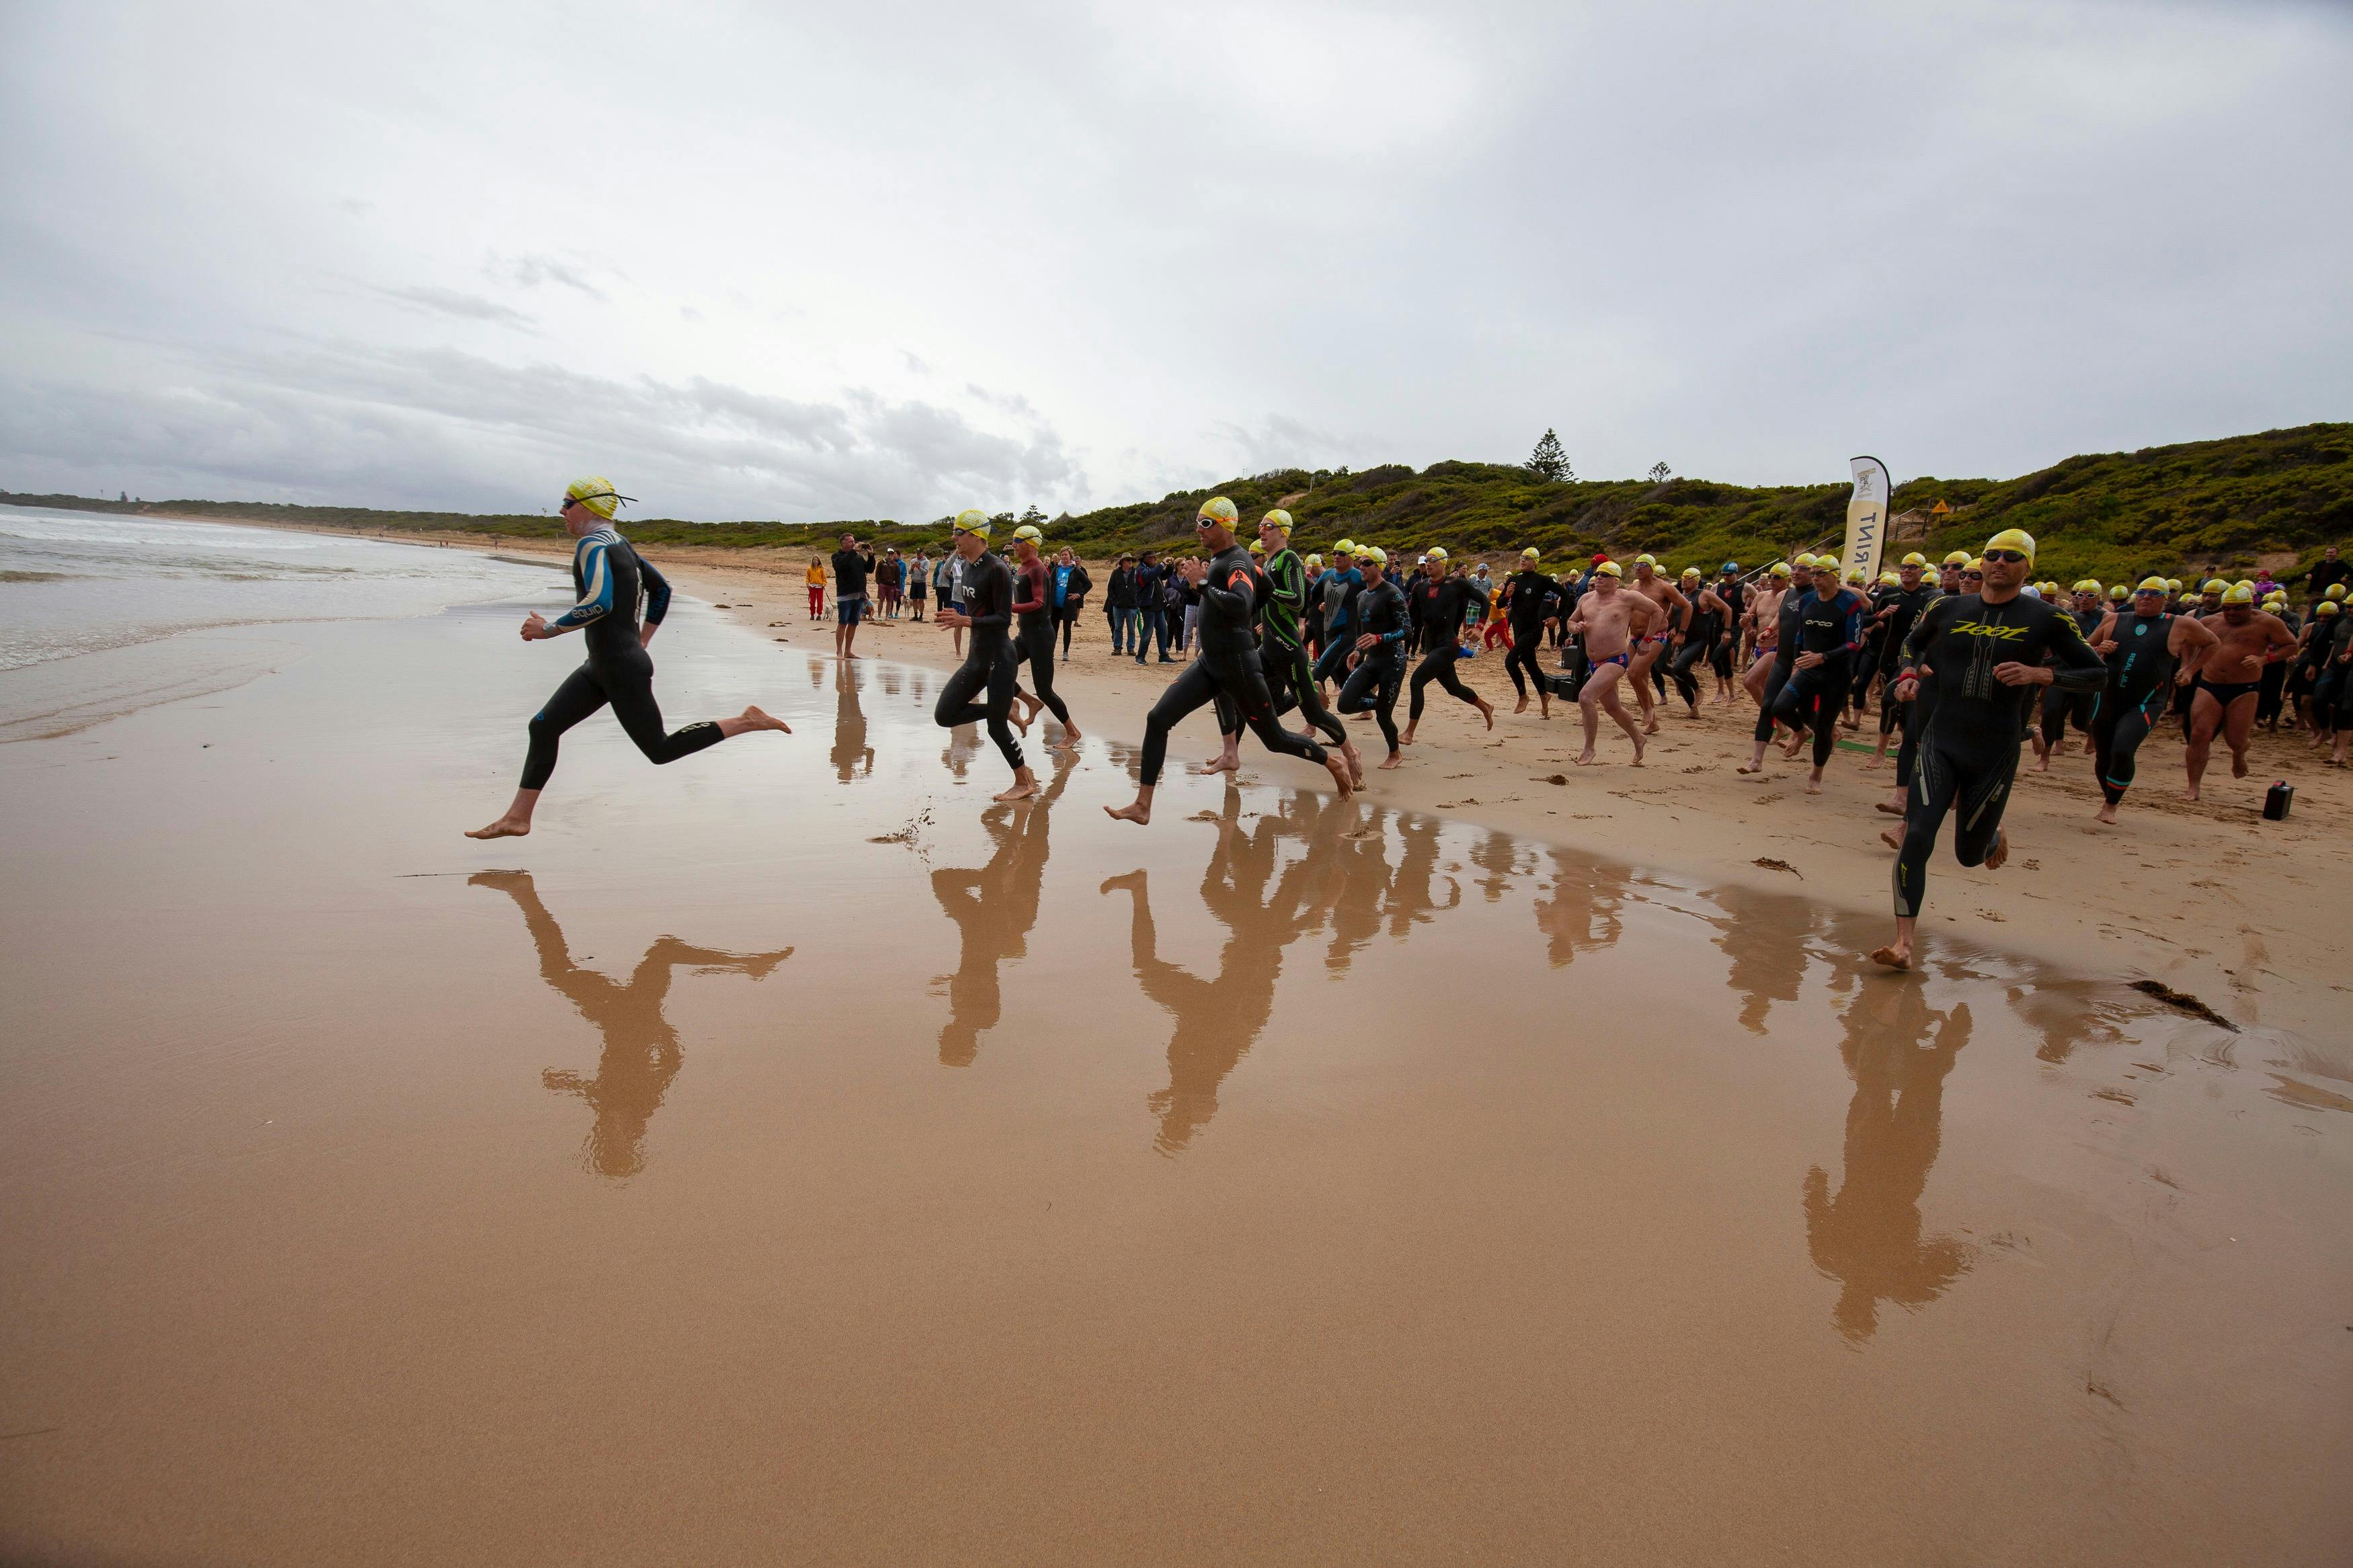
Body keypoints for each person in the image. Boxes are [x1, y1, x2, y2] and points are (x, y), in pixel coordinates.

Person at [468, 477, 789, 839]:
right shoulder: (620, 543)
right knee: (543, 727)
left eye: (567, 502)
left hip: (619, 667)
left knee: (660, 750)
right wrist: (641, 642)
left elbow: (599, 602)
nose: (562, 510)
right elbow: (662, 590)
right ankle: (517, 817)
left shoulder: (592, 543)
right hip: (604, 666)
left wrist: (548, 629)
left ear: (589, 507)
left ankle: (747, 721)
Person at [1872, 529, 2104, 970]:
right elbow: (1912, 643)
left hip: (1994, 749)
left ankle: (1991, 837)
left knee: (1969, 854)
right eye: (1992, 555)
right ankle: (1904, 943)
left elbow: (2096, 672)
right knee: (1917, 837)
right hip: (1942, 739)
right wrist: (1906, 673)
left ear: (2027, 566)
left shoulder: (2046, 618)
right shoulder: (1948, 607)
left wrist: (2042, 676)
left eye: (2011, 557)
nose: (1999, 562)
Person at [1105, 498, 1353, 824]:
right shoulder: (1231, 561)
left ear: (1226, 526)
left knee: (1275, 740)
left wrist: (1202, 584)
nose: (1198, 529)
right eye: (1198, 522)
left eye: (1206, 523)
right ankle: (1143, 804)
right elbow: (1263, 586)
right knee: (1158, 719)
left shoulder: (1235, 562)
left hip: (1238, 665)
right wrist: (1238, 587)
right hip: (1211, 663)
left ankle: (1332, 762)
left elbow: (1241, 603)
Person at [2086, 578, 2217, 823]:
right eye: (2142, 592)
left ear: (2166, 599)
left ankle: (2110, 805)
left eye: (2154, 594)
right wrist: (2099, 650)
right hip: (2107, 697)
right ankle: (2112, 794)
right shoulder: (2114, 620)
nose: (2146, 597)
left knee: (2123, 749)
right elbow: (2082, 649)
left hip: (2145, 702)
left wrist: (2190, 669)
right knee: (2103, 756)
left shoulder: (2181, 624)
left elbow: (2212, 643)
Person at [932, 509, 1039, 802]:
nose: (954, 537)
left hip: (1000, 658)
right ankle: (1004, 708)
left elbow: (1004, 619)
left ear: (976, 535)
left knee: (995, 729)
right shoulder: (966, 567)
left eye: (958, 532)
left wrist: (966, 621)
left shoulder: (997, 569)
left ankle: (1023, 782)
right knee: (945, 715)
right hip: (977, 656)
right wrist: (964, 620)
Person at [1242, 509, 1357, 780]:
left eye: (1267, 526)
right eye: (1260, 525)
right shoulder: (1268, 564)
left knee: (1315, 716)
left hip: (1289, 650)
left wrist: (1265, 590)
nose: (1261, 530)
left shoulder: (1288, 559)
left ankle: (1351, 753)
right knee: (1254, 699)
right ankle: (1230, 753)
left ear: (1283, 531)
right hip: (1268, 646)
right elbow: (1265, 602)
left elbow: (1296, 599)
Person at [2183, 583, 2299, 801]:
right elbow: (2188, 641)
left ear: (2250, 605)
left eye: (2238, 608)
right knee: (2199, 735)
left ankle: (2239, 754)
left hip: (2244, 688)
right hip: (2209, 684)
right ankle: (2193, 787)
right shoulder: (2209, 622)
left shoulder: (2268, 622)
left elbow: (2292, 646)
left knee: (2235, 740)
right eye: (2228, 608)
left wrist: (2265, 659)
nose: (2232, 613)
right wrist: (2189, 668)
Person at [1767, 558, 1869, 794]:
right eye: (1813, 573)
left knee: (1824, 726)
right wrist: (1796, 663)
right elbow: (1800, 635)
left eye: (1820, 573)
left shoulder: (1849, 602)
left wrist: (1823, 656)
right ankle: (1802, 732)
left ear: (1835, 575)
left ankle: (1816, 774)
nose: (1815, 577)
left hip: (1837, 674)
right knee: (1780, 707)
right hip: (1807, 670)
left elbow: (1854, 644)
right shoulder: (1808, 600)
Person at [1400, 547, 1495, 745]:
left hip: (1448, 644)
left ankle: (1409, 733)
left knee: (1416, 681)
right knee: (1453, 687)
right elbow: (1410, 615)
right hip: (1433, 646)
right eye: (1426, 560)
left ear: (1443, 563)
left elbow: (1484, 601)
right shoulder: (1420, 587)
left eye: (1433, 560)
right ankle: (1485, 706)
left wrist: (1479, 627)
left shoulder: (1457, 584)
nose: (1428, 563)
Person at [1566, 561, 1654, 766]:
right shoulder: (1586, 599)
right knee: (1613, 708)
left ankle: (1589, 748)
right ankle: (1639, 738)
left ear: (1616, 581)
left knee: (1586, 697)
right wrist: (1576, 626)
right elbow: (1570, 621)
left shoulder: (1626, 597)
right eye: (1598, 575)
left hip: (1616, 659)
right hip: (1593, 661)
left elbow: (1657, 612)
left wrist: (1648, 639)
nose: (1599, 578)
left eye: (1605, 576)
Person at [1005, 524, 1080, 753]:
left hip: (1040, 637)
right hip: (1025, 635)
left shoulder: (1037, 568)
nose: (1014, 545)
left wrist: (1011, 608)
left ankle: (1072, 731)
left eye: (1018, 541)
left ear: (1031, 544)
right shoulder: (1022, 567)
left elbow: (1039, 602)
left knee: (1045, 690)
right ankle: (1030, 701)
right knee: (996, 664)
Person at [1336, 546, 1412, 769]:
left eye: (1367, 563)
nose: (1362, 567)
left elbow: (1407, 630)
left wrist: (1380, 638)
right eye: (1360, 563)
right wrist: (1358, 651)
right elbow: (1362, 629)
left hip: (1393, 661)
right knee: (1345, 703)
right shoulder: (1362, 595)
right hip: (1372, 661)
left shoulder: (1392, 593)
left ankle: (1395, 754)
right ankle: (1382, 704)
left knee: (1384, 717)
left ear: (1379, 567)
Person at [2030, 580, 2108, 770]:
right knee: (2049, 713)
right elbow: (2054, 649)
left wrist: (2105, 649)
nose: (2083, 599)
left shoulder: (2107, 618)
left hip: (2086, 675)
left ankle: (2093, 734)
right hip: (2064, 671)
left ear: (2099, 598)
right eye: (2080, 595)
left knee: (2079, 722)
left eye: (2090, 595)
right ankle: (2044, 760)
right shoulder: (2068, 617)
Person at [1622, 555, 1691, 734]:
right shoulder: (1633, 588)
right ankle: (1653, 722)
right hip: (1635, 638)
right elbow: (1627, 612)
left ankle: (1648, 711)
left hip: (1655, 637)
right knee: (1641, 679)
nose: (1638, 568)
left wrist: (1682, 631)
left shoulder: (1664, 588)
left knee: (1634, 675)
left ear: (1652, 568)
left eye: (1643, 565)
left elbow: (1687, 607)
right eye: (1636, 565)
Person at [1503, 548, 1561, 718]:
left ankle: (1523, 696)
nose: (1522, 560)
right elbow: (1500, 604)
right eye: (1521, 557)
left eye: (1527, 558)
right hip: (1519, 631)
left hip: (1534, 631)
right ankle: (1544, 695)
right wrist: (1507, 596)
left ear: (1535, 561)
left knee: (1510, 661)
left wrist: (1557, 617)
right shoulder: (1514, 580)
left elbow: (1565, 595)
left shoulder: (1543, 580)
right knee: (1531, 666)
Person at [830, 532, 869, 659]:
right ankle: (839, 651)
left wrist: (871, 555)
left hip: (859, 595)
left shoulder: (858, 557)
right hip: (845, 595)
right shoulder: (836, 556)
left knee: (854, 623)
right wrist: (853, 552)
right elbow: (842, 565)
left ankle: (848, 651)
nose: (854, 543)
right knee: (843, 623)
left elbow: (869, 569)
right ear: (843, 543)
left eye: (854, 541)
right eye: (851, 541)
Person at [1051, 546, 1091, 657]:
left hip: (1068, 605)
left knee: (1067, 629)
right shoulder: (1057, 569)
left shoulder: (1076, 570)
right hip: (1055, 605)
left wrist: (1078, 594)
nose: (1064, 557)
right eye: (1062, 555)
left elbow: (1088, 584)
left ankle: (1065, 652)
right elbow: (1050, 584)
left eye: (1066, 555)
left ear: (1070, 557)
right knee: (1054, 629)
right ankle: (1051, 652)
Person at [1106, 552, 1138, 655]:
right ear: (1123, 562)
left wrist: (1137, 601)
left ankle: (1131, 648)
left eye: (1131, 560)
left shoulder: (1136, 573)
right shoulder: (1116, 573)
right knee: (1118, 627)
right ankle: (1117, 647)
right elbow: (1110, 588)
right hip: (1118, 606)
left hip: (1132, 606)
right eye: (1128, 560)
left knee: (1131, 629)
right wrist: (1114, 600)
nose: (1130, 562)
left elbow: (1140, 587)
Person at [906, 550, 928, 621]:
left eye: (919, 553)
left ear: (923, 553)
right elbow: (909, 572)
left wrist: (919, 567)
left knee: (921, 600)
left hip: (922, 582)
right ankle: (915, 615)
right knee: (914, 599)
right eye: (917, 553)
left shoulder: (926, 561)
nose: (918, 555)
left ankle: (921, 615)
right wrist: (912, 568)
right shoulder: (913, 560)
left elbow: (926, 572)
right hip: (914, 582)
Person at [804, 555, 827, 622]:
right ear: (812, 561)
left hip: (820, 587)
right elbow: (807, 578)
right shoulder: (809, 569)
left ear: (819, 561)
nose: (815, 561)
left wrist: (823, 584)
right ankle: (812, 614)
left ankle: (819, 615)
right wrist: (807, 583)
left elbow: (824, 579)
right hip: (812, 587)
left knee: (820, 602)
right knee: (812, 602)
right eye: (814, 560)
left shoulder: (822, 569)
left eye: (817, 560)